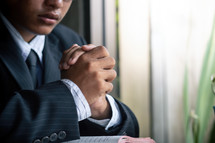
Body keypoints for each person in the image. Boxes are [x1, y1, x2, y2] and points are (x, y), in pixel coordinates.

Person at [0, 0, 139, 142]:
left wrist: (99, 109)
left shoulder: (69, 40)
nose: (57, 3)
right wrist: (73, 96)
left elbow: (131, 132)